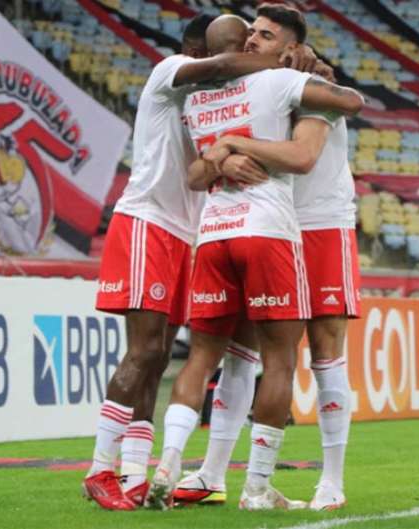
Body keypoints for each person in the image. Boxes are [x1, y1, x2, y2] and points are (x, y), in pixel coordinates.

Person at [84, 13, 324, 511]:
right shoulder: (172, 70)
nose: (245, 56)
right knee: (146, 351)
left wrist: (224, 158)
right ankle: (100, 467)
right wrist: (281, 59)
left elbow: (202, 168)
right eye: (239, 46)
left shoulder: (213, 99)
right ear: (204, 50)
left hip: (192, 233)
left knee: (161, 355)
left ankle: (134, 472)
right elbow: (226, 65)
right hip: (147, 221)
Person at [146, 8, 363, 511]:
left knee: (325, 348)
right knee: (239, 352)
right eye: (248, 34)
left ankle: (330, 480)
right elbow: (201, 168)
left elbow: (304, 154)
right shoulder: (245, 87)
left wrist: (233, 146)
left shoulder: (305, 84)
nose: (250, 42)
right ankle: (213, 473)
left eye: (262, 35)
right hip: (265, 226)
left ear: (289, 45)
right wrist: (223, 156)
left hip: (319, 222)